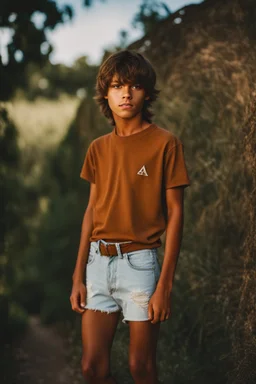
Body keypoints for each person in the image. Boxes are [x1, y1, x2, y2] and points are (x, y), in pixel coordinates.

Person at [70, 49, 190, 384]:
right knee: (92, 369)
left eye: (135, 85)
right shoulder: (97, 148)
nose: (126, 93)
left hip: (140, 265)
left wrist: (164, 285)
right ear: (105, 94)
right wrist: (78, 275)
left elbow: (176, 212)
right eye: (117, 85)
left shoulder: (166, 144)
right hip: (98, 262)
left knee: (142, 367)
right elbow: (92, 211)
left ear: (147, 93)